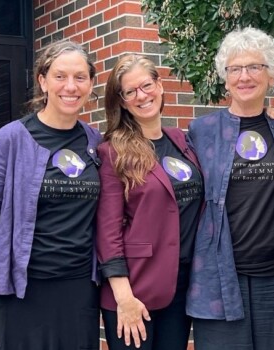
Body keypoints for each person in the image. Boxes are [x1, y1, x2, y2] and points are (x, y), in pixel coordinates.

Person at [0, 39, 102, 350]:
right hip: (18, 292)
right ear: (43, 81)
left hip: (77, 291)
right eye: (60, 76)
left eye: (80, 77)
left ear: (91, 83)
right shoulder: (9, 140)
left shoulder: (96, 142)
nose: (70, 86)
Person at [186, 27, 274, 350]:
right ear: (226, 77)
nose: (244, 76)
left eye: (254, 67)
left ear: (270, 76)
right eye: (235, 69)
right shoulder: (201, 131)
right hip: (217, 281)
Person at [97, 54, 204, 350]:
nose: (141, 96)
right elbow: (107, 233)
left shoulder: (182, 142)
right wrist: (124, 297)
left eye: (146, 85)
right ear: (121, 101)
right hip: (136, 286)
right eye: (130, 92)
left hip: (182, 286)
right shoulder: (113, 152)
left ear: (160, 85)